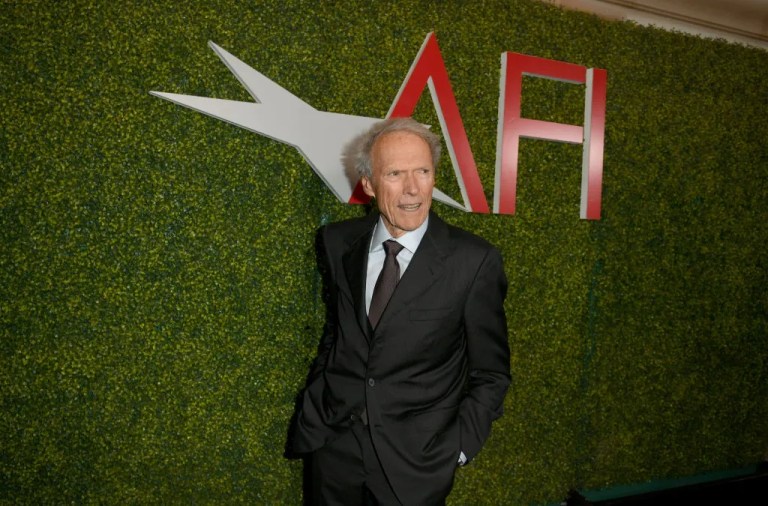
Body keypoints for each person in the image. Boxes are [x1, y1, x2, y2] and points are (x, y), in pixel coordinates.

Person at [290, 117, 510, 505]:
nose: (413, 189)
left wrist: (459, 447)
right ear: (370, 184)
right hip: (334, 447)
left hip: (416, 464)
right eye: (395, 174)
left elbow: (490, 372)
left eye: (422, 171)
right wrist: (320, 403)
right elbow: (339, 332)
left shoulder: (474, 261)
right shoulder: (338, 242)